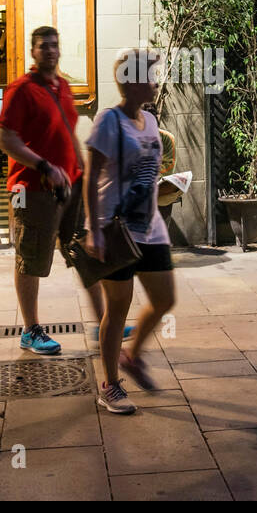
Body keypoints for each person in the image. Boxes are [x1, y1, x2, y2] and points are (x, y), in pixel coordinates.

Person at [83, 49, 177, 414]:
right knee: (118, 307)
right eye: (151, 76)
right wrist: (94, 230)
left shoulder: (150, 122)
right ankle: (109, 385)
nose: (155, 82)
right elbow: (92, 177)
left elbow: (148, 173)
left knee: (165, 299)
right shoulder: (109, 121)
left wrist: (167, 184)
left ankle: (132, 355)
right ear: (133, 81)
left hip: (149, 228)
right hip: (115, 228)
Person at [0, 27, 88, 355]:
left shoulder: (62, 86)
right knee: (29, 256)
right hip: (28, 188)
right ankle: (30, 330)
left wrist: (80, 167)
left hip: (69, 185)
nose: (50, 51)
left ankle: (108, 318)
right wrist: (44, 165)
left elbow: (67, 130)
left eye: (54, 45)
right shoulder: (21, 90)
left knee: (84, 248)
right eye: (43, 46)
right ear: (32, 51)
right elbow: (5, 139)